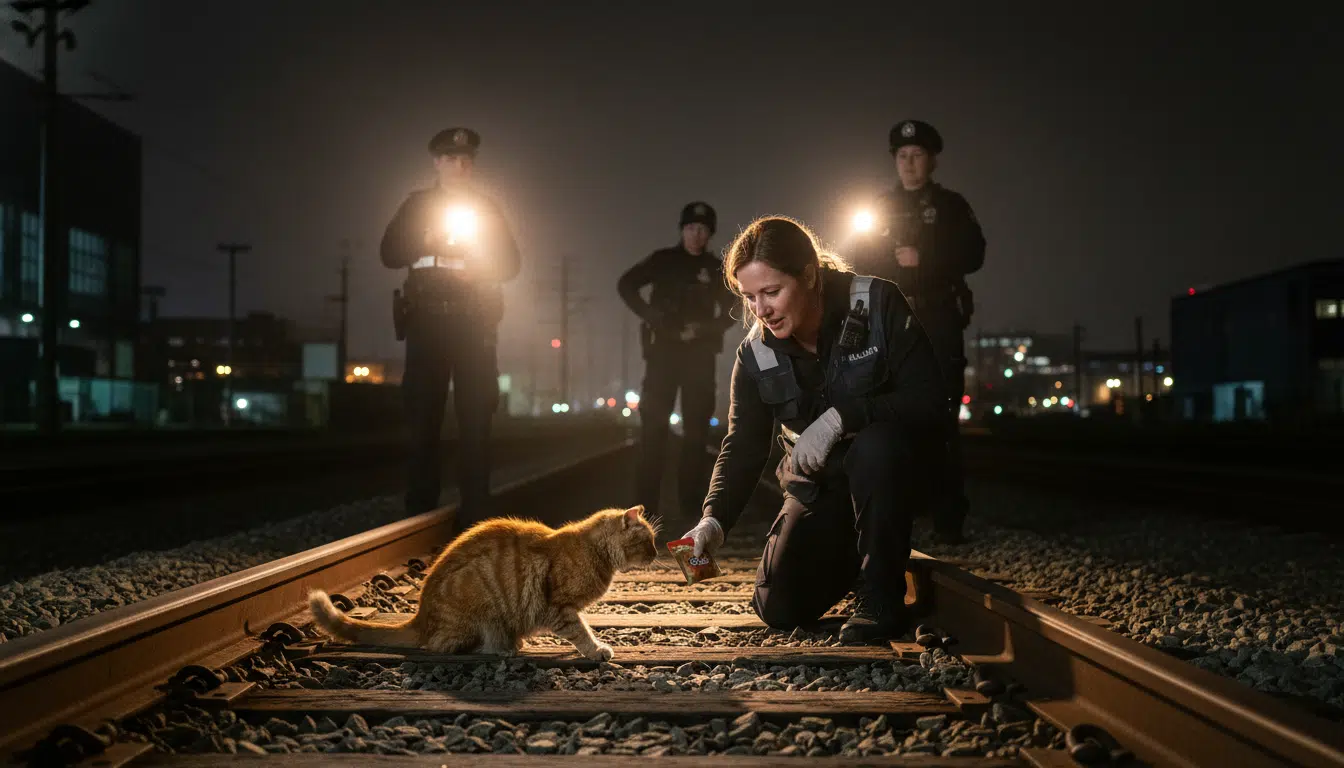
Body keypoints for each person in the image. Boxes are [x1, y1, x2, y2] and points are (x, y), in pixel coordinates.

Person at [681, 216, 947, 643]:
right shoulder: (755, 354)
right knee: (778, 608)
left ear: (808, 275)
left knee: (876, 446)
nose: (760, 310)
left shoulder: (877, 303)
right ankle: (858, 554)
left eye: (771, 292)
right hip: (820, 488)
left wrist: (843, 417)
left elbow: (929, 400)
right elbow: (744, 443)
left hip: (888, 476)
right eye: (749, 297)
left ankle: (880, 597)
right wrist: (714, 518)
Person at [850, 119, 985, 543]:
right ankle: (899, 514)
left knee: (942, 414)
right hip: (892, 322)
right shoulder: (878, 207)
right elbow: (858, 260)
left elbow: (975, 253)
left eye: (918, 155)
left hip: (937, 317)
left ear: (932, 160)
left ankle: (948, 519)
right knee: (891, 415)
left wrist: (925, 256)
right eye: (902, 156)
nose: (909, 163)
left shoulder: (950, 206)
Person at [380, 127, 521, 525]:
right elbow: (388, 253)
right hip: (426, 324)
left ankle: (476, 514)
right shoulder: (417, 206)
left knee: (476, 419)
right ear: (437, 162)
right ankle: (420, 515)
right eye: (452, 159)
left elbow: (512, 264)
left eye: (466, 160)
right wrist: (423, 240)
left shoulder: (487, 209)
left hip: (473, 324)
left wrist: (481, 265)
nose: (461, 166)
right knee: (423, 417)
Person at [618, 202, 737, 519]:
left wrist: (707, 328)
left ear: (710, 234)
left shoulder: (716, 268)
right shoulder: (663, 261)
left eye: (703, 230)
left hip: (700, 358)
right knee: (652, 433)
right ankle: (644, 513)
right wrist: (654, 317)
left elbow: (735, 307)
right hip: (663, 355)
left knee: (696, 435)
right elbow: (626, 285)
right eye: (691, 228)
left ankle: (691, 511)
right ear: (682, 230)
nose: (696, 235)